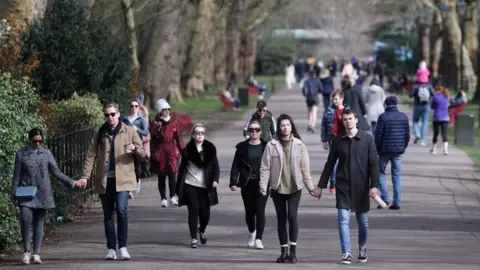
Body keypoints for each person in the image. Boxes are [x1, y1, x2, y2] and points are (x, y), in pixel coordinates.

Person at [11, 128, 86, 265]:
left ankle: (36, 253)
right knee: (25, 222)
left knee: (39, 224)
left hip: (43, 193)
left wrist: (73, 183)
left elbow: (56, 172)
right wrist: (13, 195)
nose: (38, 143)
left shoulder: (46, 153)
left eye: (40, 141)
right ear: (30, 140)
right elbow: (16, 177)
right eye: (35, 141)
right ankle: (26, 251)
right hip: (26, 194)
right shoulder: (21, 154)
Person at [314, 109, 379, 265]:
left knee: (363, 221)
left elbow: (373, 164)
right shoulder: (338, 141)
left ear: (356, 119)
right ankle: (346, 253)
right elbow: (330, 164)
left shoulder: (367, 139)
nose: (348, 122)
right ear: (342, 122)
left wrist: (374, 185)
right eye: (345, 119)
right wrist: (320, 186)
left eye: (350, 119)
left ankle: (362, 248)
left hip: (361, 186)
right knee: (343, 219)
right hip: (343, 186)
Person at [80, 103, 145, 260]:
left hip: (123, 179)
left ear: (118, 113)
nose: (110, 117)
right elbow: (90, 155)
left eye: (112, 114)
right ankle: (111, 248)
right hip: (105, 180)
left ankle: (123, 247)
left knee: (122, 211)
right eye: (107, 115)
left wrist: (134, 149)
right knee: (108, 215)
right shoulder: (100, 133)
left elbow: (142, 152)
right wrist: (85, 176)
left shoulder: (129, 131)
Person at [259, 114, 316, 263]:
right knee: (281, 219)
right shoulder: (271, 145)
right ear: (279, 127)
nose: (285, 128)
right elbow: (265, 168)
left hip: (294, 187)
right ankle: (283, 252)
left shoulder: (299, 145)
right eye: (283, 125)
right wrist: (263, 187)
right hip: (277, 188)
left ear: (292, 127)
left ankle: (293, 252)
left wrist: (311, 188)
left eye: (288, 125)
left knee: (292, 216)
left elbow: (305, 169)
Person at [176, 124, 219, 248]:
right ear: (193, 135)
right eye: (197, 133)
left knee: (205, 213)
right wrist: (177, 189)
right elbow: (182, 169)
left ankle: (202, 230)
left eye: (202, 133)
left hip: (205, 186)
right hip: (190, 184)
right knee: (193, 211)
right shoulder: (188, 150)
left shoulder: (210, 150)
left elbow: (216, 167)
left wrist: (215, 180)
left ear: (205, 135)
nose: (200, 135)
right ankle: (194, 238)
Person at [230, 121, 268, 250]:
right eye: (251, 130)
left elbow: (272, 165)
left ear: (260, 131)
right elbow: (236, 165)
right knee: (249, 212)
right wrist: (233, 182)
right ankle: (253, 232)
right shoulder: (242, 147)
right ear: (248, 131)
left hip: (262, 183)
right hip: (247, 183)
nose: (254, 132)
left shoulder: (266, 146)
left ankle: (259, 239)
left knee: (260, 210)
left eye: (257, 129)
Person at [374, 96, 410, 210]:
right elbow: (407, 135)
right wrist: (403, 147)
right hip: (398, 150)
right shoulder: (403, 117)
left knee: (381, 173)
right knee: (396, 176)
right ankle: (397, 202)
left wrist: (376, 149)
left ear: (386, 104)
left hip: (384, 150)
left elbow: (378, 135)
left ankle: (384, 198)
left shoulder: (382, 117)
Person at [151, 99, 184, 207]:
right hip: (160, 151)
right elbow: (152, 138)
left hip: (172, 151)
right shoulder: (155, 123)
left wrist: (183, 151)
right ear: (160, 111)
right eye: (163, 110)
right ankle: (163, 198)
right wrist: (158, 129)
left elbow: (178, 138)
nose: (166, 112)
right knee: (161, 176)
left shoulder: (174, 122)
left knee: (172, 174)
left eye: (167, 109)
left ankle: (173, 197)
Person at [320, 90, 349, 194]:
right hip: (333, 139)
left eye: (336, 99)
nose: (334, 101)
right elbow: (323, 125)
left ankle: (344, 182)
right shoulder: (329, 110)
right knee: (333, 162)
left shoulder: (347, 110)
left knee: (345, 161)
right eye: (333, 99)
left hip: (345, 139)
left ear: (342, 99)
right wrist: (324, 140)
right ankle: (333, 183)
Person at [122, 98, 149, 198]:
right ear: (129, 107)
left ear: (139, 108)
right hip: (127, 145)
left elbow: (146, 132)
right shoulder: (125, 119)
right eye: (132, 106)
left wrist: (137, 129)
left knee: (137, 168)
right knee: (128, 166)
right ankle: (129, 190)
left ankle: (136, 182)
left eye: (136, 106)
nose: (134, 108)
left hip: (137, 146)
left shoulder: (141, 120)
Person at [409, 74, 435, 145]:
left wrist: (413, 94)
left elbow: (410, 95)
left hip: (417, 105)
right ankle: (423, 139)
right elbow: (434, 94)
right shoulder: (429, 86)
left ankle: (417, 133)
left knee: (415, 121)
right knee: (425, 122)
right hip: (426, 106)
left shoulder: (416, 86)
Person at [430, 86, 450, 155]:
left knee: (436, 133)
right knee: (445, 134)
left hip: (437, 118)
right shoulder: (446, 97)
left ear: (437, 90)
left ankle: (434, 149)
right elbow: (448, 105)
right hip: (445, 118)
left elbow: (432, 107)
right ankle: (445, 149)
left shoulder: (435, 97)